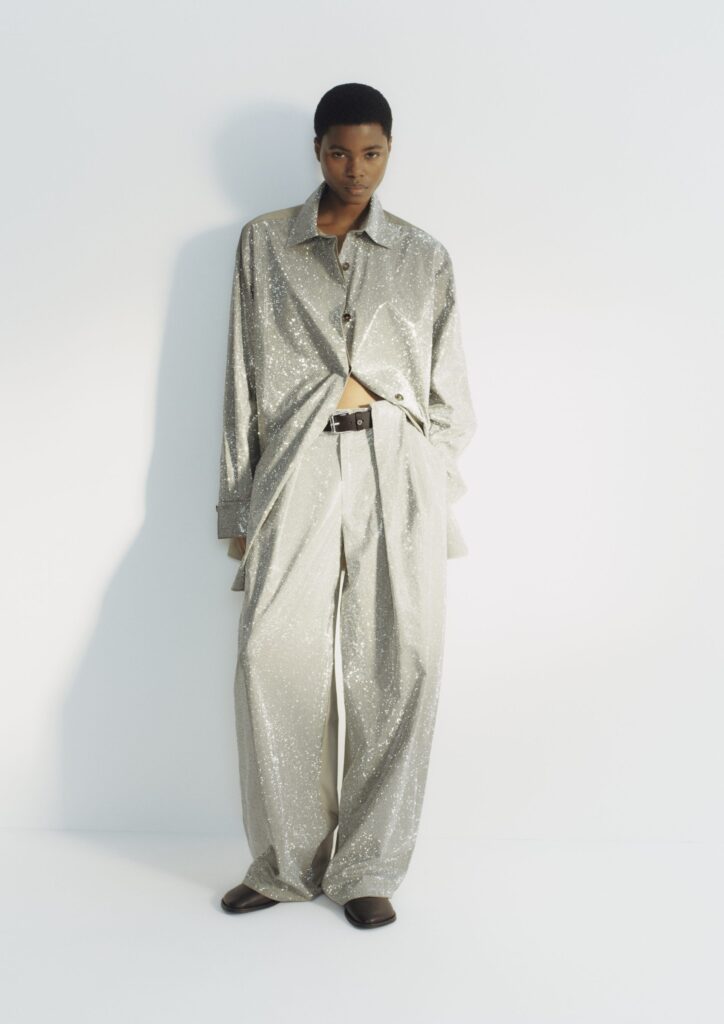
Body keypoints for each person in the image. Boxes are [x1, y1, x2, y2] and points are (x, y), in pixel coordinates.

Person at [216, 83, 476, 929]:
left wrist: (427, 472)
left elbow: (450, 389)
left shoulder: (424, 255)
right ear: (317, 150)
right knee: (270, 656)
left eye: (371, 153)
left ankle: (368, 865)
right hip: (296, 463)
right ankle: (287, 864)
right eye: (338, 151)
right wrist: (239, 506)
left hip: (396, 463)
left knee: (401, 661)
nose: (355, 169)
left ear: (390, 150)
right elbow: (241, 380)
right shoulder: (265, 244)